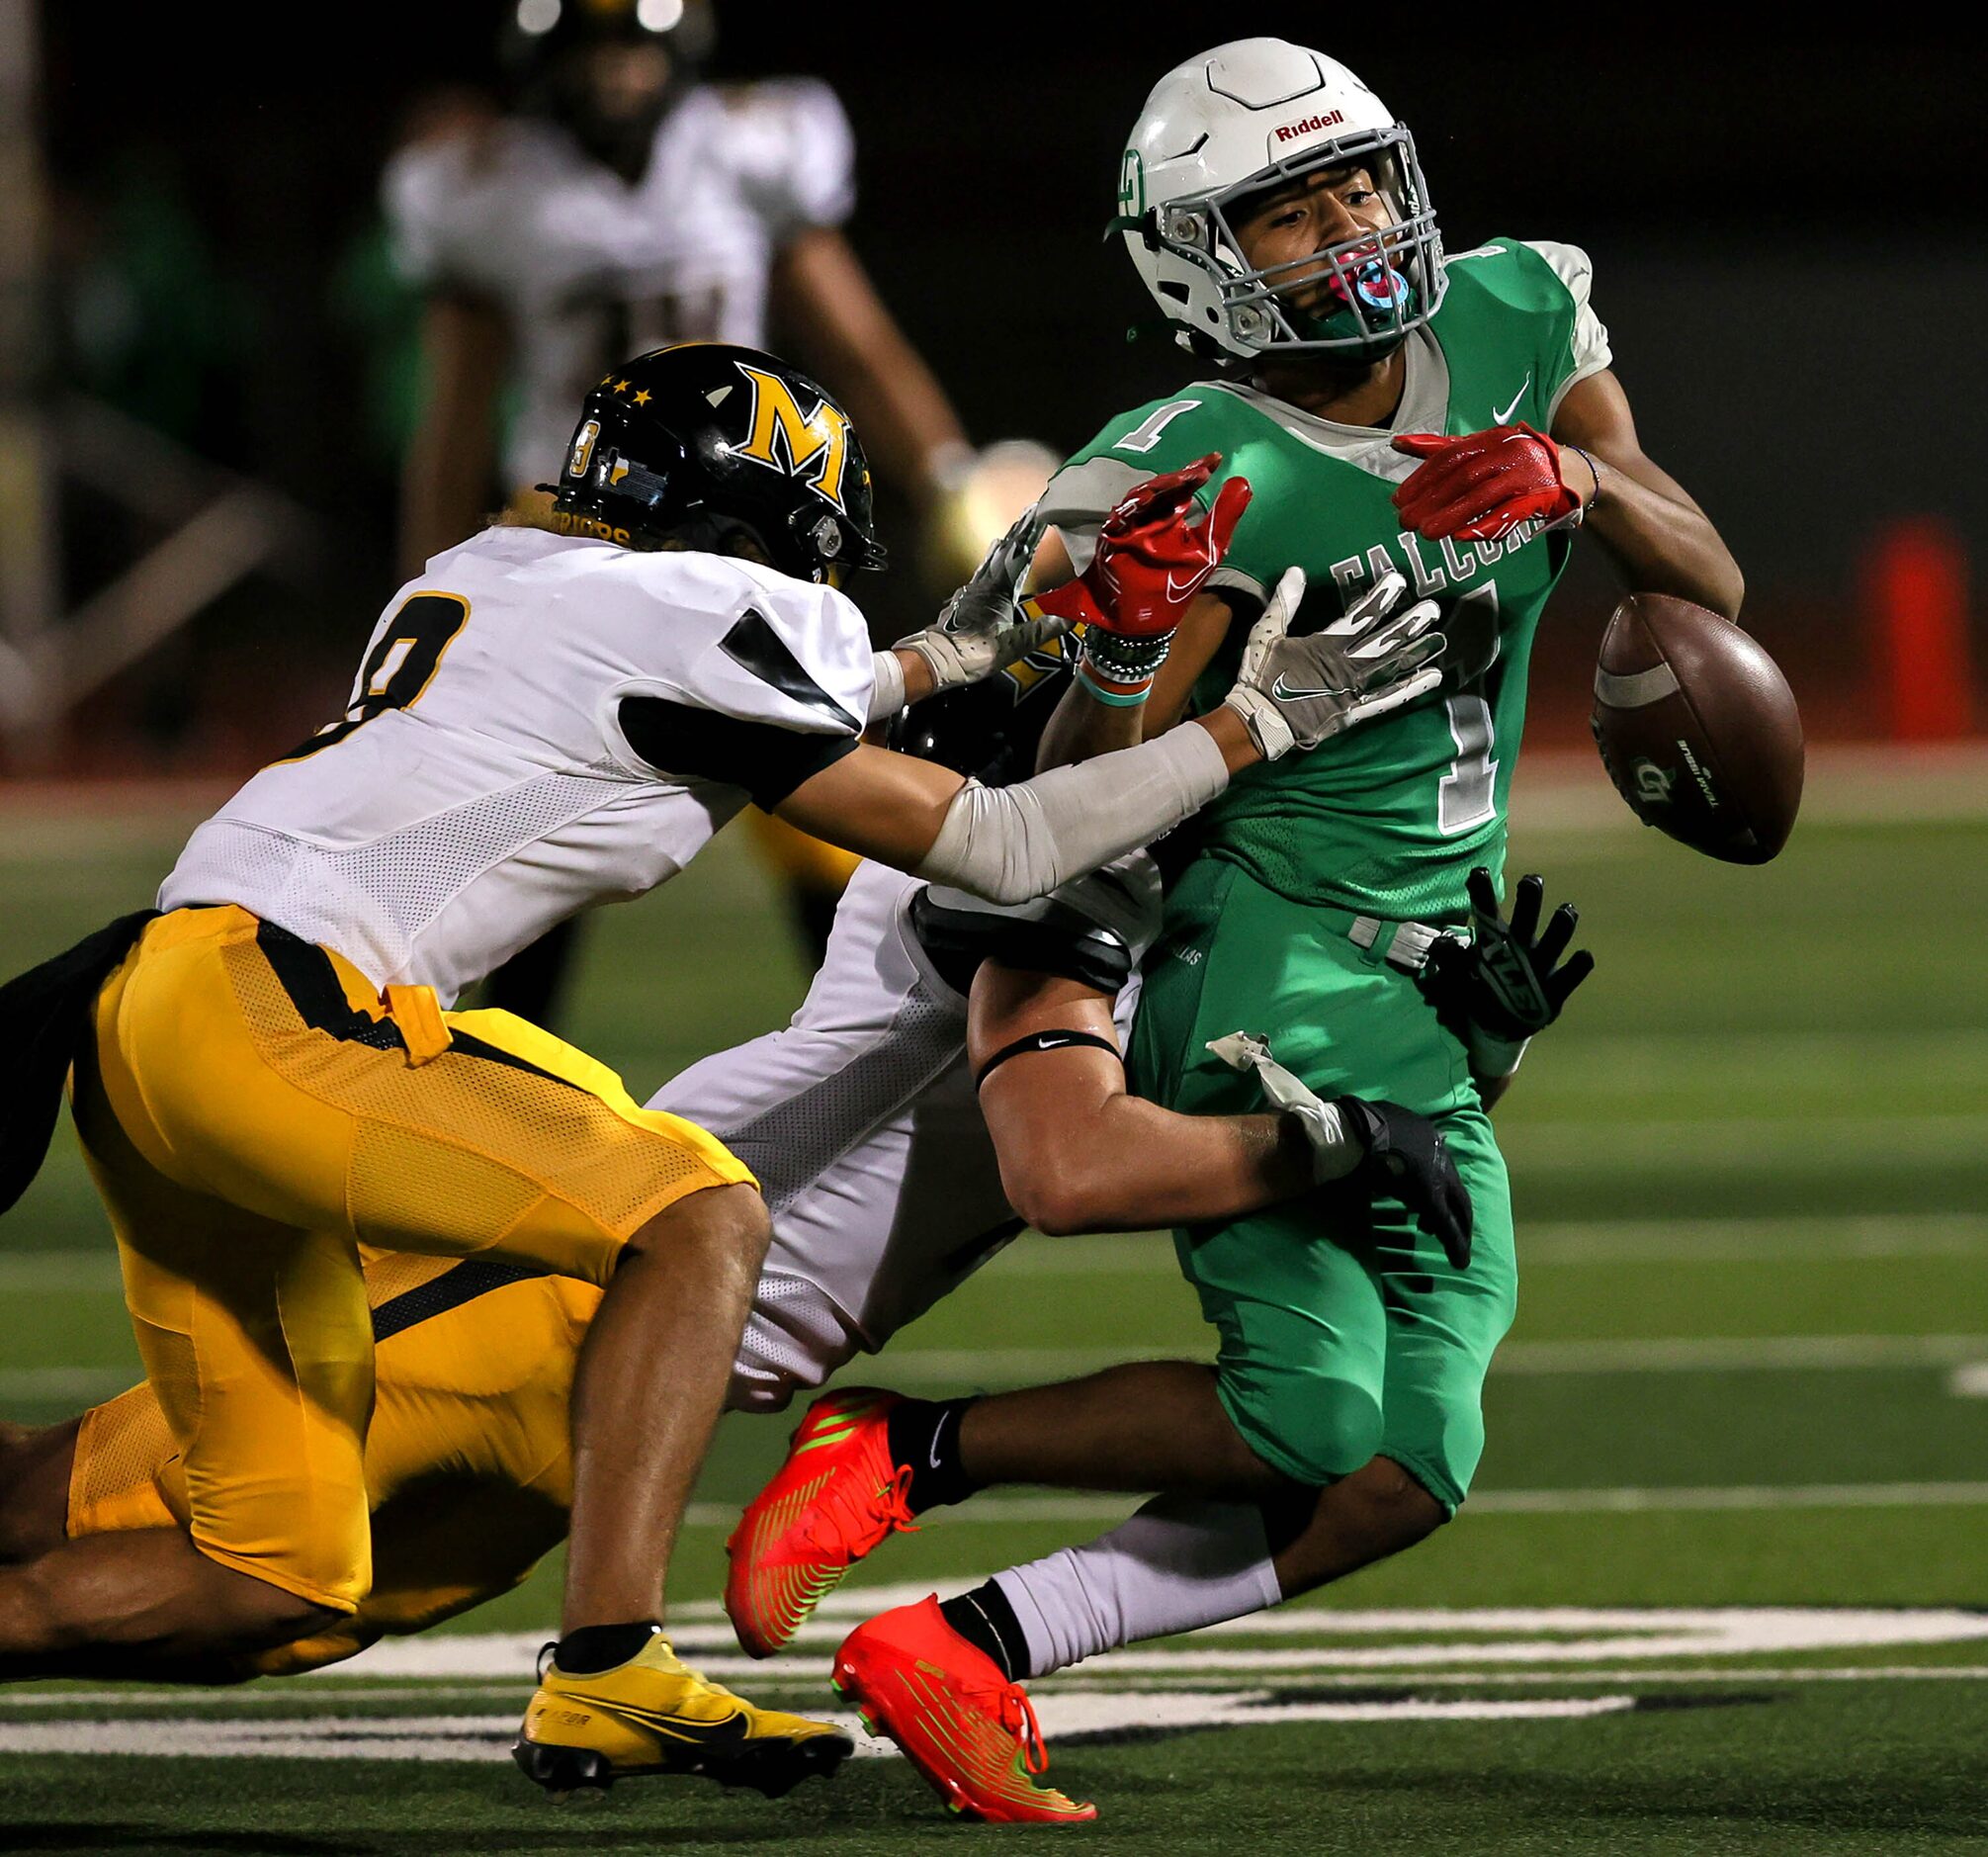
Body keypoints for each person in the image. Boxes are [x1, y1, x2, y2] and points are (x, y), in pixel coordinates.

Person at [0, 338, 1438, 1799]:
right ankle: (608, 1661)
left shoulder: (503, 566)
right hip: (278, 1011)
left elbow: (733, 699)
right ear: (746, 531)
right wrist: (1252, 723)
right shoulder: (696, 611)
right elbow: (1001, 845)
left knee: (281, 1579)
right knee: (696, 1212)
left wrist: (956, 647)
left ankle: (595, 1659)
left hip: (169, 1014)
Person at [723, 36, 1743, 1819]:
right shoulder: (1184, 464)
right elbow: (1062, 786)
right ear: (1202, 258)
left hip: (1435, 940)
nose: (1346, 224)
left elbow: (1703, 577)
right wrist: (1117, 646)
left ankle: (968, 1643)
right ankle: (899, 1445)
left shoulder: (1516, 314)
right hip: (1255, 939)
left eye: (1355, 181)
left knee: (1414, 1455)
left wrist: (1579, 483)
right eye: (1287, 210)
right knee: (1310, 1414)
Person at [385, 0, 1005, 989]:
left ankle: (863, 1048)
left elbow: (856, 337)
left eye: (635, 45)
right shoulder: (490, 187)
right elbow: (454, 417)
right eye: (593, 49)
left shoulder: (746, 149)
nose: (616, 73)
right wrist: (425, 580)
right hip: (568, 532)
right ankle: (503, 1076)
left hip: (732, 530)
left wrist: (948, 476)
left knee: (825, 810)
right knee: (544, 822)